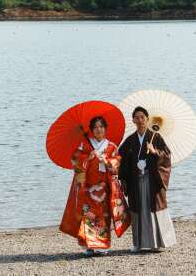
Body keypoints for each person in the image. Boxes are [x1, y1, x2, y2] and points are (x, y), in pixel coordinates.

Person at [59, 116, 130, 255]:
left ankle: (102, 246)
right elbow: (75, 160)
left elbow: (117, 163)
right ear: (91, 130)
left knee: (104, 216)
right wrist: (88, 157)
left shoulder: (111, 146)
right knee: (88, 216)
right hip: (88, 188)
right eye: (96, 127)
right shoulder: (84, 145)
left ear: (105, 129)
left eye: (101, 127)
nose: (99, 130)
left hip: (104, 188)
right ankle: (89, 246)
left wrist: (107, 161)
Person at [118, 106, 177, 252]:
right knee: (138, 210)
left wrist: (155, 151)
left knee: (154, 209)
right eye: (136, 118)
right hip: (136, 181)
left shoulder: (155, 137)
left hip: (152, 181)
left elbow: (167, 155)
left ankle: (156, 243)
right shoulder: (130, 140)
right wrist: (124, 174)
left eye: (142, 117)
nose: (140, 120)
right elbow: (120, 158)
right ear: (133, 120)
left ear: (147, 119)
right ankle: (138, 243)